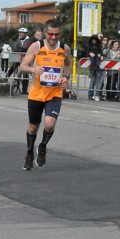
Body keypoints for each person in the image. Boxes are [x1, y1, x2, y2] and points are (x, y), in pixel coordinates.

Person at [19, 18, 72, 171]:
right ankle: (29, 153)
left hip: (55, 93)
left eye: (57, 34)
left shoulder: (64, 48)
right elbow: (23, 66)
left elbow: (68, 64)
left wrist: (66, 78)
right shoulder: (36, 47)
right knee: (33, 127)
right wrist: (33, 70)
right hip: (36, 94)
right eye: (50, 34)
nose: (54, 37)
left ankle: (42, 146)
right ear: (44, 33)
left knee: (49, 124)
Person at [8, 27, 31, 94]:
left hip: (25, 59)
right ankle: (6, 78)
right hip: (17, 58)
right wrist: (21, 48)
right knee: (12, 68)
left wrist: (19, 47)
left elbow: (26, 48)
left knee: (25, 74)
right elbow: (14, 48)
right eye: (19, 32)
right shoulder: (17, 40)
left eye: (21, 33)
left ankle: (24, 90)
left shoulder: (28, 40)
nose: (20, 34)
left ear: (25, 34)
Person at [87, 34, 105, 101]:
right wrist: (89, 54)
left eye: (102, 37)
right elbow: (87, 50)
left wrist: (101, 55)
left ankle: (98, 95)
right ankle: (90, 95)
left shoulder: (103, 46)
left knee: (100, 82)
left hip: (100, 66)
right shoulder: (90, 45)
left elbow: (101, 52)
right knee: (93, 81)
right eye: (99, 37)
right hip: (93, 63)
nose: (100, 38)